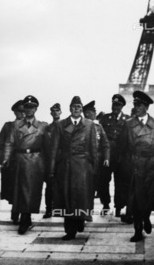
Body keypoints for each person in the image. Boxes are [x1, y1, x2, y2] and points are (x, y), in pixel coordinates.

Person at [49, 96, 97, 240]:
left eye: (79, 107)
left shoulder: (89, 125)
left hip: (83, 166)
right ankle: (70, 229)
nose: (77, 109)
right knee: (67, 198)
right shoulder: (60, 125)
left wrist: (94, 167)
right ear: (70, 109)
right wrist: (52, 168)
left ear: (82, 109)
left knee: (81, 196)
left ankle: (80, 219)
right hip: (66, 166)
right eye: (74, 106)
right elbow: (54, 148)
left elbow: (93, 147)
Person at [119, 91, 154, 242]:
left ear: (146, 107)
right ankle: (138, 229)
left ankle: (146, 217)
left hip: (151, 164)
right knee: (136, 199)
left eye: (139, 105)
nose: (136, 107)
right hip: (136, 165)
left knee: (150, 196)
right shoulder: (128, 124)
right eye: (135, 105)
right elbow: (123, 146)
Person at [3, 95, 48, 234]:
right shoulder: (16, 125)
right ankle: (24, 218)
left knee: (33, 191)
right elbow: (9, 143)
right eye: (27, 107)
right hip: (20, 160)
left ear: (36, 109)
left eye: (32, 107)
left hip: (36, 161)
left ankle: (27, 216)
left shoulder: (43, 125)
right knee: (20, 191)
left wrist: (48, 164)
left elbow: (48, 145)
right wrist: (6, 159)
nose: (29, 110)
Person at [99, 94, 129, 216]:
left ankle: (118, 206)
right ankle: (105, 204)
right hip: (107, 155)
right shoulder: (105, 118)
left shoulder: (128, 119)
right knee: (104, 181)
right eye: (114, 104)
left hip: (121, 155)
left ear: (122, 106)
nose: (115, 107)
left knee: (120, 181)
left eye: (118, 105)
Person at [0, 100, 25, 224]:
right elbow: (0, 144)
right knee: (13, 189)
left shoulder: (29, 126)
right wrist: (3, 160)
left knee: (25, 188)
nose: (22, 114)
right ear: (14, 112)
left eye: (24, 111)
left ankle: (23, 214)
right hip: (11, 164)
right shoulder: (8, 126)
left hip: (25, 163)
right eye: (19, 111)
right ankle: (15, 211)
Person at [83, 101, 110, 206]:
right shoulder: (81, 127)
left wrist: (106, 158)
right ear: (86, 113)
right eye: (93, 111)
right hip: (86, 161)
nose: (95, 113)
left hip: (99, 162)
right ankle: (88, 208)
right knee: (87, 186)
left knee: (102, 183)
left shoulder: (98, 127)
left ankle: (106, 204)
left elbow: (105, 144)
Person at [43, 103, 62, 219]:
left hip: (61, 161)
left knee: (61, 186)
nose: (55, 112)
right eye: (53, 111)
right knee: (49, 186)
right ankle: (48, 209)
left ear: (60, 112)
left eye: (57, 110)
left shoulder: (65, 126)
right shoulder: (47, 128)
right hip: (49, 161)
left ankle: (59, 208)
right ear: (51, 113)